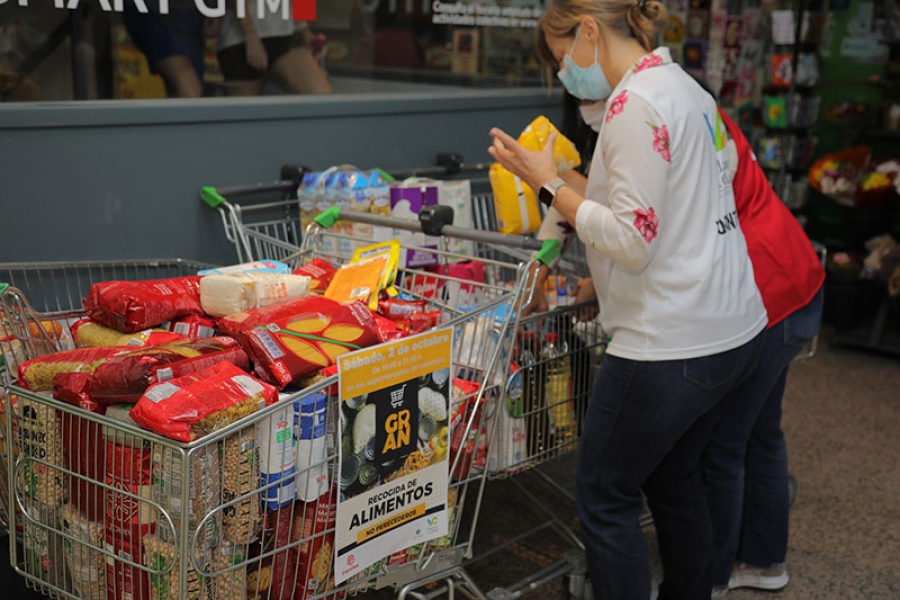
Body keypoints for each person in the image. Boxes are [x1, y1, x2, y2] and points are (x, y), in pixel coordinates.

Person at [488, 1, 768, 599]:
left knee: (605, 495)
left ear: (589, 31)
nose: (566, 73)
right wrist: (599, 276)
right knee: (674, 478)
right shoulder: (687, 89)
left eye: (564, 58)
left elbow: (632, 240)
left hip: (668, 345)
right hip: (732, 329)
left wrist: (548, 183)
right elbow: (683, 212)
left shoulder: (633, 105)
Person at [703, 110, 824, 597]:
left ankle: (711, 575)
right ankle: (764, 561)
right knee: (762, 433)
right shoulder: (714, 117)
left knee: (724, 446)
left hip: (767, 291)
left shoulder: (677, 129)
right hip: (799, 276)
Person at [217, 7, 331, 96]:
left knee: (322, 96)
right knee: (245, 116)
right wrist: (250, 34)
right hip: (240, 39)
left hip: (284, 34)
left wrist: (304, 30)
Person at [122, 1, 211, 98]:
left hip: (189, 13)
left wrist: (212, 7)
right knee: (189, 85)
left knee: (189, 84)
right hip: (153, 10)